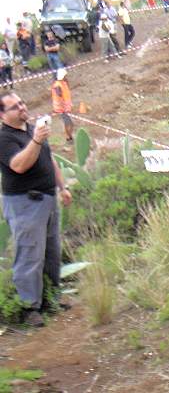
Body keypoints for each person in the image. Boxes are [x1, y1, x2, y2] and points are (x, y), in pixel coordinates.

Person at [0, 92, 72, 327]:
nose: (22, 107)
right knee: (30, 254)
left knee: (51, 252)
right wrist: (37, 141)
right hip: (24, 203)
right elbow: (19, 165)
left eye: (22, 102)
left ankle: (50, 299)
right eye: (14, 107)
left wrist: (63, 186)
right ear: (3, 115)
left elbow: (49, 159)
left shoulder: (32, 129)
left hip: (48, 198)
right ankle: (30, 307)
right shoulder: (5, 139)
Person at [50, 69, 73, 143]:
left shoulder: (63, 83)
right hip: (62, 109)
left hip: (65, 108)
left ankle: (69, 137)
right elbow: (59, 94)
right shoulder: (58, 85)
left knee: (69, 123)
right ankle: (69, 138)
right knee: (68, 123)